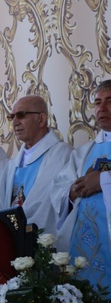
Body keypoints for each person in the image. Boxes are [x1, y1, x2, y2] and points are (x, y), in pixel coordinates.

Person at [54, 80, 111, 290]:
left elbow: (101, 180)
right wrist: (71, 191)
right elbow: (59, 187)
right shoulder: (83, 153)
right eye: (97, 102)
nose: (101, 108)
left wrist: (103, 180)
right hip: (82, 247)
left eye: (109, 101)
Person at [0, 95, 72, 234]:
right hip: (12, 238)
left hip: (41, 240)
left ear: (41, 119)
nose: (14, 122)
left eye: (21, 115)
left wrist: (17, 226)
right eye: (12, 117)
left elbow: (44, 202)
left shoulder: (61, 153)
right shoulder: (13, 164)